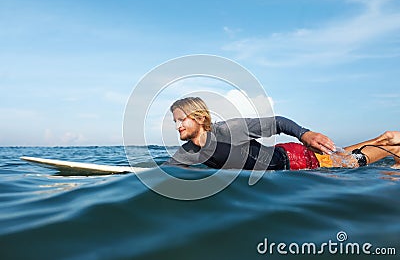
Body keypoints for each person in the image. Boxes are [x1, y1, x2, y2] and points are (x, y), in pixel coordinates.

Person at [164, 97, 400, 170]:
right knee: (335, 153)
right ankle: (384, 139)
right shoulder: (189, 152)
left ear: (200, 118)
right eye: (176, 122)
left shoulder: (228, 130)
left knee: (350, 163)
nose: (178, 126)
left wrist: (304, 134)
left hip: (295, 159)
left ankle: (389, 148)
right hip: (280, 155)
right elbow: (167, 168)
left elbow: (277, 123)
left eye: (181, 120)